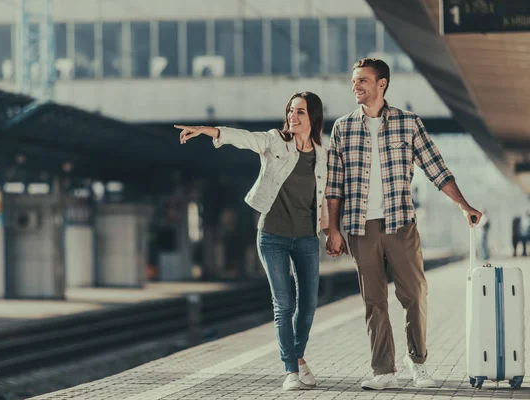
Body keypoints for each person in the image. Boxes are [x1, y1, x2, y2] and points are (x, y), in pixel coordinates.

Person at [324, 58, 482, 390]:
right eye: (354, 81)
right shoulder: (343, 127)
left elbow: (435, 168)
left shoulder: (408, 123)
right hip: (359, 226)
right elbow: (334, 185)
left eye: (363, 81)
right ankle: (383, 370)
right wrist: (333, 229)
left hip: (400, 223)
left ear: (382, 84)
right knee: (374, 301)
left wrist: (463, 206)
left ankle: (419, 361)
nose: (356, 86)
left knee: (415, 294)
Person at [174, 91, 329, 391]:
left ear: (313, 117)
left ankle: (298, 358)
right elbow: (243, 138)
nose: (292, 117)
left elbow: (327, 197)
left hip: (308, 238)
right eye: (290, 111)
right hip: (272, 236)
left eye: (299, 112)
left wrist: (331, 230)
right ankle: (290, 371)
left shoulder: (323, 154)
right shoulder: (274, 141)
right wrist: (211, 131)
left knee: (308, 305)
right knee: (284, 303)